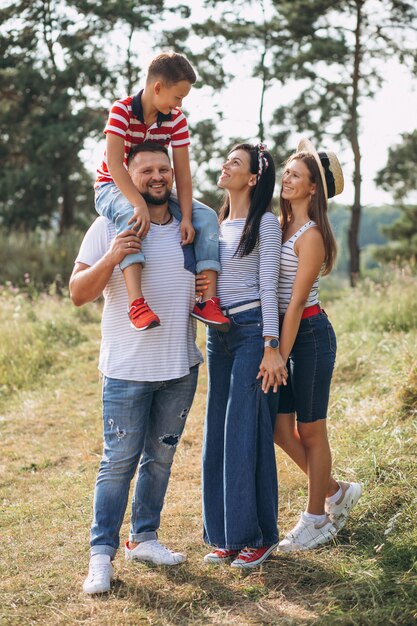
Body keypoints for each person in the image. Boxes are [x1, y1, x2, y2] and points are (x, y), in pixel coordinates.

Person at [70, 142, 204, 595]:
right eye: (146, 169)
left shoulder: (191, 227)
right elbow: (76, 293)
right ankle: (101, 556)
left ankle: (143, 538)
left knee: (160, 459)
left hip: (180, 368)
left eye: (164, 168)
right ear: (127, 175)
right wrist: (112, 256)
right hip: (126, 371)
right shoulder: (108, 224)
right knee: (118, 464)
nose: (157, 177)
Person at [95, 51, 229, 332]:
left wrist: (188, 217)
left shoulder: (175, 119)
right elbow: (116, 167)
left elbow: (181, 172)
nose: (180, 103)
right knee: (129, 217)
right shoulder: (121, 111)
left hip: (152, 185)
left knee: (206, 218)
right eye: (177, 96)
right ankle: (136, 303)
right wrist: (138, 205)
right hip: (112, 185)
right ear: (158, 88)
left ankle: (206, 300)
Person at [199, 143, 288, 569]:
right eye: (226, 160)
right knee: (218, 429)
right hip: (218, 335)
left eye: (235, 162)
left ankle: (257, 535)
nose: (225, 166)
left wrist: (272, 347)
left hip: (253, 332)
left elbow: (268, 286)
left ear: (253, 178)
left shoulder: (265, 224)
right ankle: (223, 536)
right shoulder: (216, 222)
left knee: (244, 431)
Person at [274, 138, 362, 552]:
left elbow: (294, 305)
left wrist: (279, 353)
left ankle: (316, 519)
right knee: (280, 429)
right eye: (287, 171)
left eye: (296, 174)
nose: (286, 178)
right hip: (285, 336)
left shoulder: (310, 236)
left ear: (313, 189)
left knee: (310, 430)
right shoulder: (278, 225)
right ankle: (335, 491)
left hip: (307, 335)